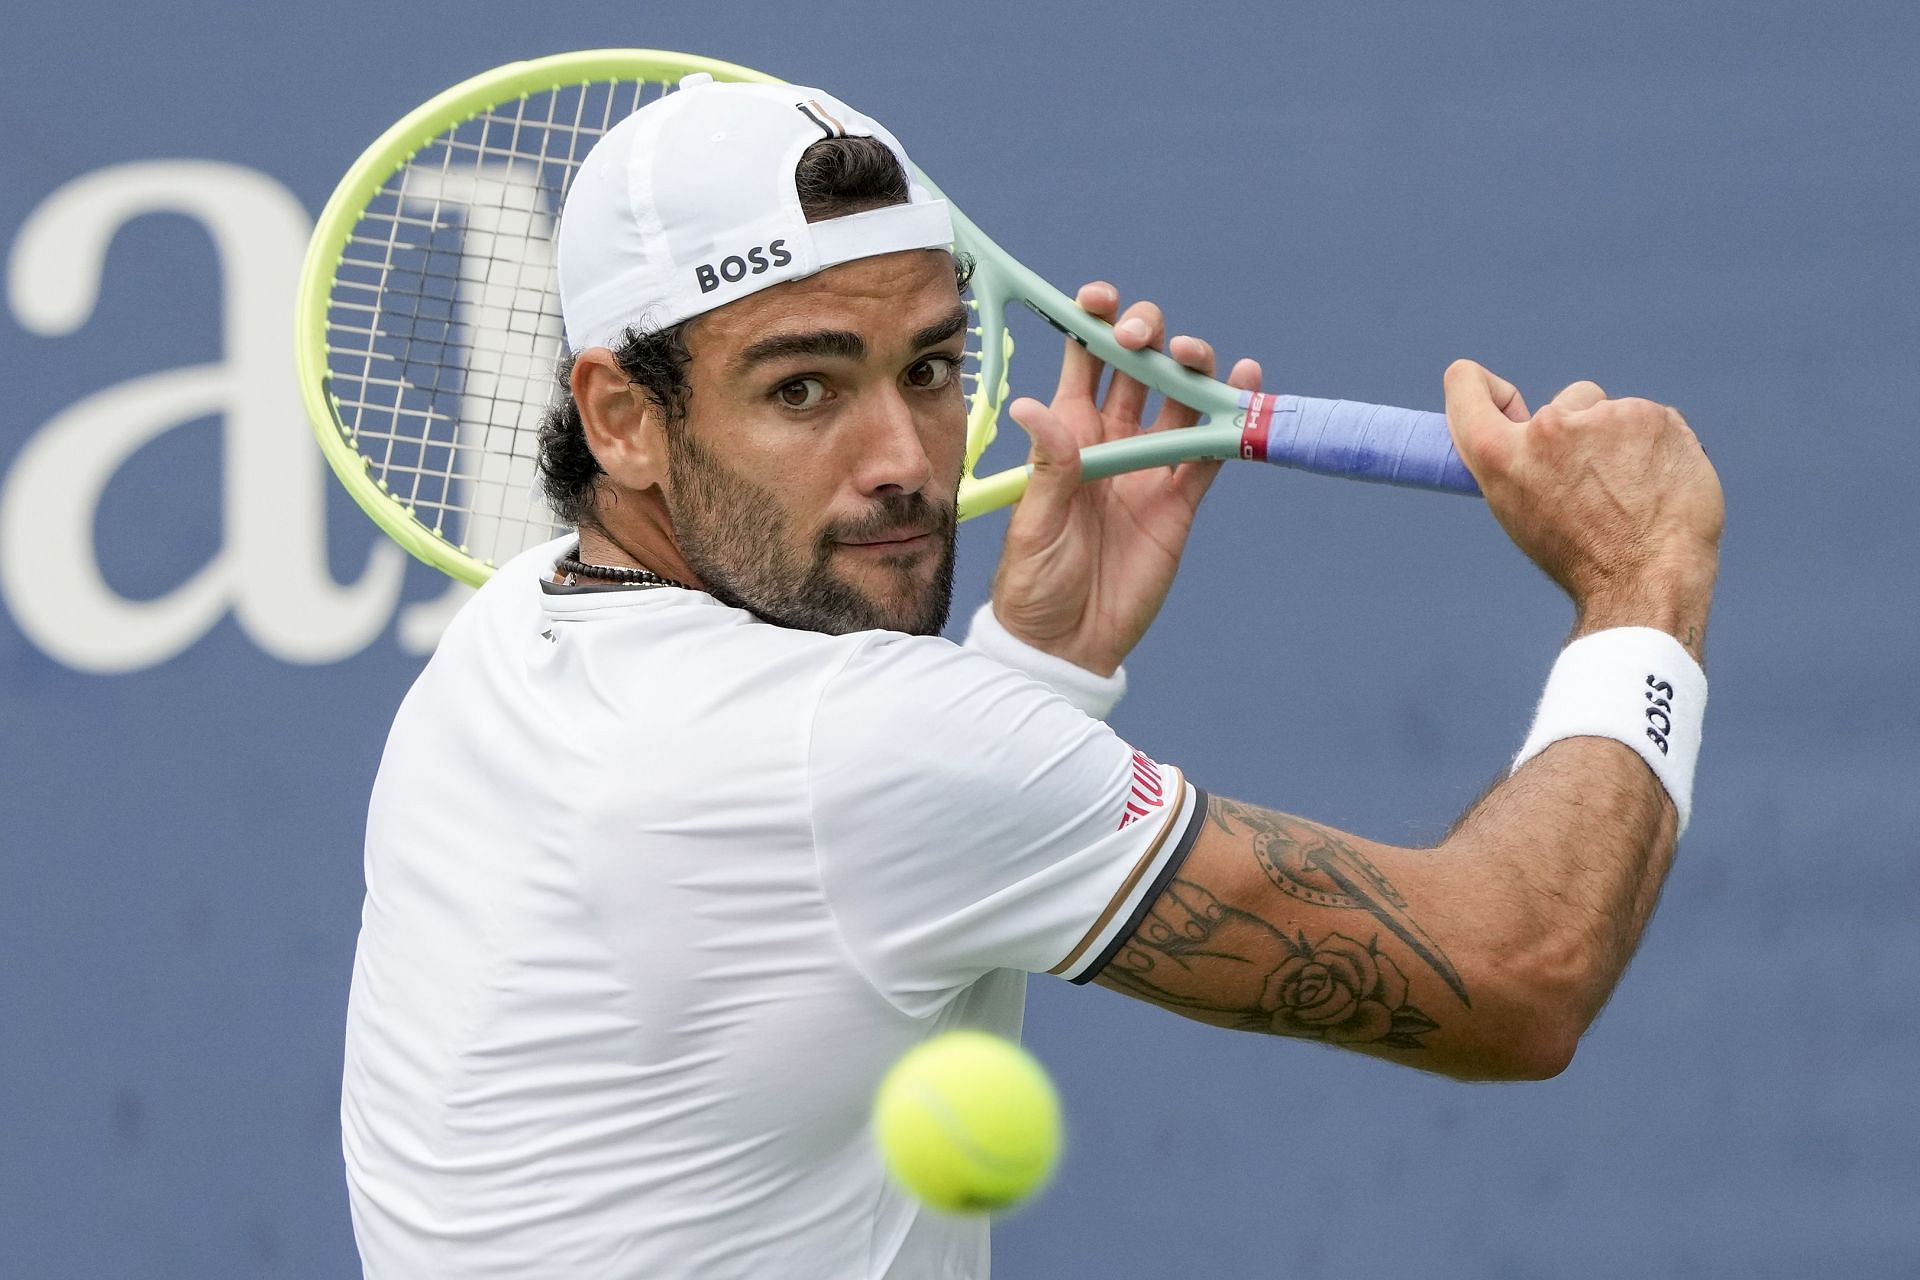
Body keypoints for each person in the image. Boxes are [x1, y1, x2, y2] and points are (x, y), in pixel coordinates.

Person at [340, 76, 1724, 1278]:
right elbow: (1518, 972)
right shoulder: (854, 751)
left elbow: (811, 912)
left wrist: (1041, 662)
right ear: (622, 417)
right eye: (804, 391)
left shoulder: (512, 636)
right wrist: (1641, 582)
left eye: (932, 367)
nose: (903, 457)